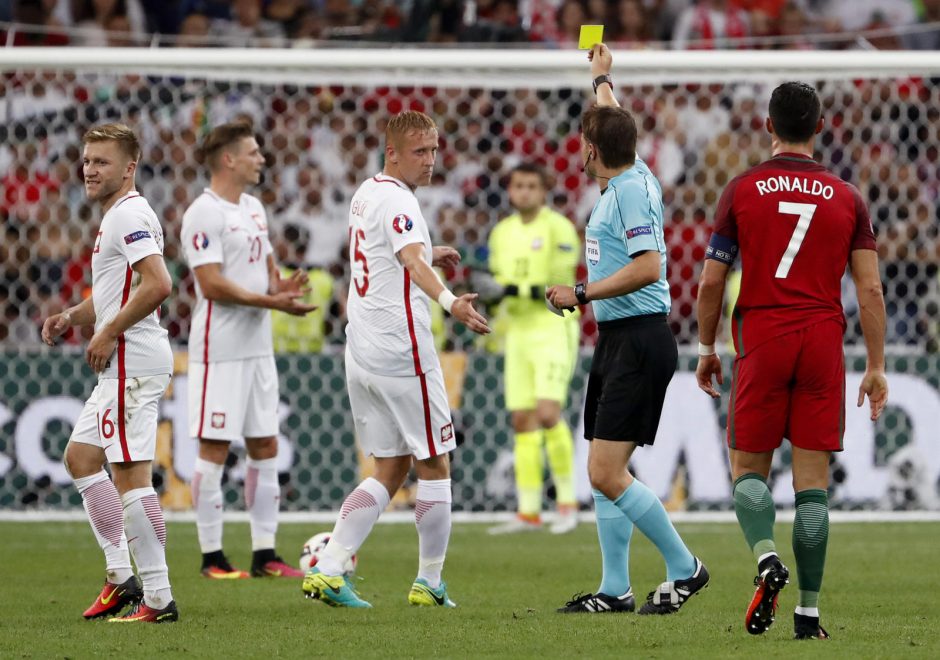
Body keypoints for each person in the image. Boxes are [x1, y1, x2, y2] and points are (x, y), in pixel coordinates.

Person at [695, 81, 888, 640]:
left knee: (748, 473)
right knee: (813, 487)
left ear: (768, 126)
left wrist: (707, 349)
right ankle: (807, 614)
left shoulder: (741, 190)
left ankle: (764, 558)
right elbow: (870, 290)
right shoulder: (849, 197)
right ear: (821, 128)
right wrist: (875, 366)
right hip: (822, 340)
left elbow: (711, 282)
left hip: (763, 335)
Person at [302, 110, 490, 608]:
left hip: (361, 349)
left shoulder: (367, 192)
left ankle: (329, 565)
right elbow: (407, 259)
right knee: (435, 462)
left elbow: (389, 249)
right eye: (419, 152)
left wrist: (432, 248)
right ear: (393, 153)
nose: (430, 161)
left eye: (434, 149)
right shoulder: (401, 201)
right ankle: (429, 581)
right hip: (402, 350)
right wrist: (451, 302)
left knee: (390, 466)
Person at [547, 43, 708, 616]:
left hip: (640, 336)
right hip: (619, 337)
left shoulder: (631, 192)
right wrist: (601, 77)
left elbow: (648, 266)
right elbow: (612, 117)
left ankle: (686, 567)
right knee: (601, 469)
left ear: (591, 151)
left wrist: (581, 292)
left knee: (605, 471)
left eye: (584, 144)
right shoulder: (631, 167)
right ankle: (615, 589)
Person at [42, 123, 178, 623]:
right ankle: (121, 578)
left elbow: (159, 283)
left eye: (102, 161)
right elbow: (115, 289)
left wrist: (107, 332)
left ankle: (159, 599)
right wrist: (74, 318)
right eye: (87, 160)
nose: (90, 169)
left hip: (131, 360)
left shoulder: (130, 214)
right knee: (81, 457)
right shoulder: (119, 217)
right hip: (127, 361)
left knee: (130, 478)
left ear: (129, 167)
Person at [181, 121, 316, 580]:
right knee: (215, 448)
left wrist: (285, 286)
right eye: (254, 153)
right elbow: (211, 283)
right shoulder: (204, 213)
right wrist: (270, 301)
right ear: (229, 160)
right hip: (220, 349)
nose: (261, 159)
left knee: (265, 444)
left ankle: (265, 554)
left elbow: (265, 271)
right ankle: (212, 557)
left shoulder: (255, 208)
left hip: (259, 349)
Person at [486, 162, 581, 536]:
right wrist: (491, 299)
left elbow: (558, 287)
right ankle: (528, 511)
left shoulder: (558, 228)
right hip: (519, 330)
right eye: (517, 185)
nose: (523, 192)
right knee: (522, 420)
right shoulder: (501, 233)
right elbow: (498, 284)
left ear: (544, 192)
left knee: (547, 413)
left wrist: (507, 290)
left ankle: (567, 503)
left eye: (531, 186)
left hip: (553, 326)